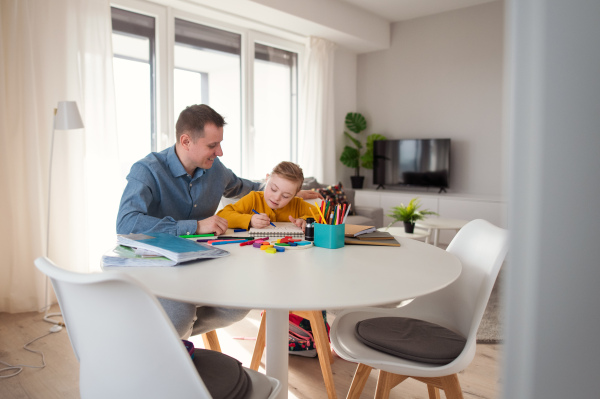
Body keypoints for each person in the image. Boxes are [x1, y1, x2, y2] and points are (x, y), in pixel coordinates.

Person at [116, 104, 320, 339]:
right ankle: (166, 342)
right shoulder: (147, 171)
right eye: (212, 145)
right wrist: (196, 226)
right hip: (159, 265)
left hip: (202, 260)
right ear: (186, 141)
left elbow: (249, 187)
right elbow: (126, 224)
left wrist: (287, 193)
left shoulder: (215, 170)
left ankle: (169, 338)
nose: (220, 151)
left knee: (240, 302)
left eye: (220, 143)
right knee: (180, 315)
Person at [217, 161, 319, 232]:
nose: (277, 198)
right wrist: (250, 220)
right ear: (267, 179)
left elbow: (326, 215)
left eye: (285, 196)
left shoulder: (297, 203)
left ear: (295, 194)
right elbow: (222, 215)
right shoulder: (253, 198)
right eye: (273, 189)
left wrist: (306, 221)